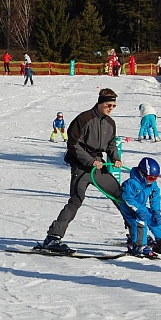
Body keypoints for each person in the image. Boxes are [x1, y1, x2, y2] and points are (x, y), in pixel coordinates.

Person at [41, 88, 123, 253]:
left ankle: (136, 234)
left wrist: (115, 157)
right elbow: (72, 144)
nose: (111, 108)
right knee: (76, 199)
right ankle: (53, 237)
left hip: (99, 166)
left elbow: (111, 144)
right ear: (100, 103)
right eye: (108, 105)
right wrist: (90, 161)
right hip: (81, 166)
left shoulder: (110, 123)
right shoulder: (84, 119)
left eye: (113, 106)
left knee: (119, 195)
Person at [121, 157, 161, 258]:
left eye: (155, 178)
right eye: (151, 178)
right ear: (142, 174)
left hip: (142, 208)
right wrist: (138, 210)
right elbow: (128, 198)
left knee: (156, 221)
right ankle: (139, 246)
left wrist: (155, 212)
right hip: (130, 210)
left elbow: (155, 197)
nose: (152, 181)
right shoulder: (131, 183)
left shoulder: (152, 184)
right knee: (140, 222)